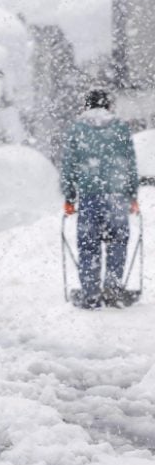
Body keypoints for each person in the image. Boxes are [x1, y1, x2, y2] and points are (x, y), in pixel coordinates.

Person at [61, 89, 139, 309]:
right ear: (108, 106)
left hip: (89, 196)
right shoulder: (120, 128)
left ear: (87, 106)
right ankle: (113, 290)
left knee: (88, 245)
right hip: (116, 196)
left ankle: (91, 293)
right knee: (117, 242)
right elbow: (129, 164)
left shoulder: (77, 129)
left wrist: (69, 196)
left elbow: (69, 165)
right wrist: (132, 195)